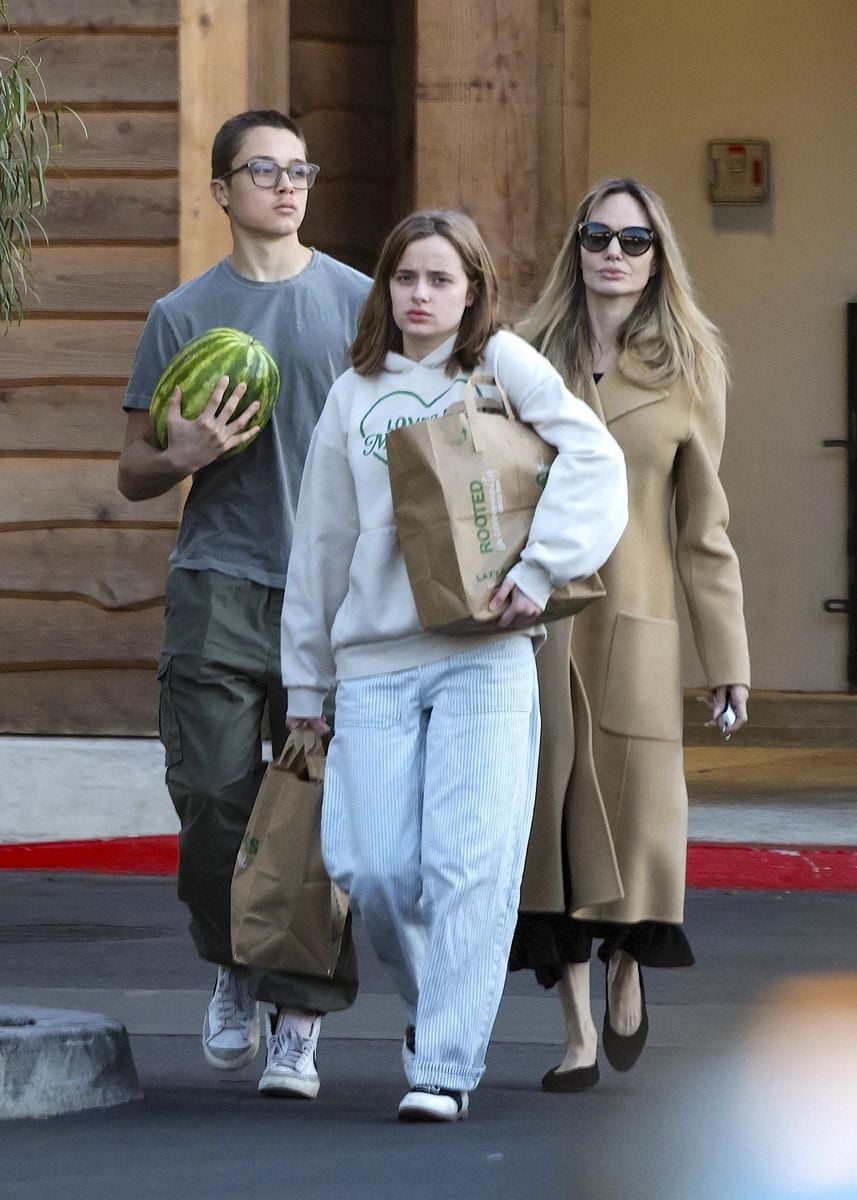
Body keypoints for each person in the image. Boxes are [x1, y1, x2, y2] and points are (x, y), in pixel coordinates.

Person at [279, 208, 627, 1122]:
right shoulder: (353, 393)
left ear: (471, 290)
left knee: (470, 865)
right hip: (375, 661)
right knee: (375, 865)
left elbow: (594, 456)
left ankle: (443, 1066)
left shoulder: (501, 365)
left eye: (440, 279)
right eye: (405, 278)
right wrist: (305, 685)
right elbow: (320, 542)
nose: (420, 295)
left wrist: (540, 564)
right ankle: (438, 1004)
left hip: (485, 655)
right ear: (384, 290)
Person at [117, 110, 371, 1099]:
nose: (285, 183)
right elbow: (134, 473)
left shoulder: (360, 305)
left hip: (334, 595)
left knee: (313, 820)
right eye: (262, 170)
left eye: (297, 167)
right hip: (219, 580)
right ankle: (232, 961)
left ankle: (299, 1023)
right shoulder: (181, 315)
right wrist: (176, 458)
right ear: (220, 190)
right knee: (216, 803)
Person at [510, 177, 751, 1091]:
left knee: (641, 822)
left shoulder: (691, 369)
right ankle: (573, 1028)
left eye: (633, 240)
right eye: (596, 235)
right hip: (537, 627)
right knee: (550, 825)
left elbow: (704, 527)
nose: (612, 252)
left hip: (638, 623)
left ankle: (625, 961)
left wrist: (725, 658)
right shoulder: (523, 356)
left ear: (657, 258)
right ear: (574, 247)